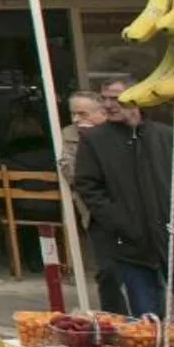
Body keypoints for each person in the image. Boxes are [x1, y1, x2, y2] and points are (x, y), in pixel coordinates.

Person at [74, 84, 174, 316]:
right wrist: (120, 222)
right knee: (146, 323)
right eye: (104, 98)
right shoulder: (95, 140)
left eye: (117, 99)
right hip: (131, 245)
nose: (108, 105)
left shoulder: (166, 136)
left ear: (139, 100)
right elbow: (88, 187)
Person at [61, 93, 126, 311]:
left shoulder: (119, 133)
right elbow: (71, 172)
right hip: (95, 212)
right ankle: (115, 313)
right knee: (107, 269)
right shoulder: (70, 136)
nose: (77, 119)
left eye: (83, 113)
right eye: (73, 114)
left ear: (102, 114)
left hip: (129, 208)